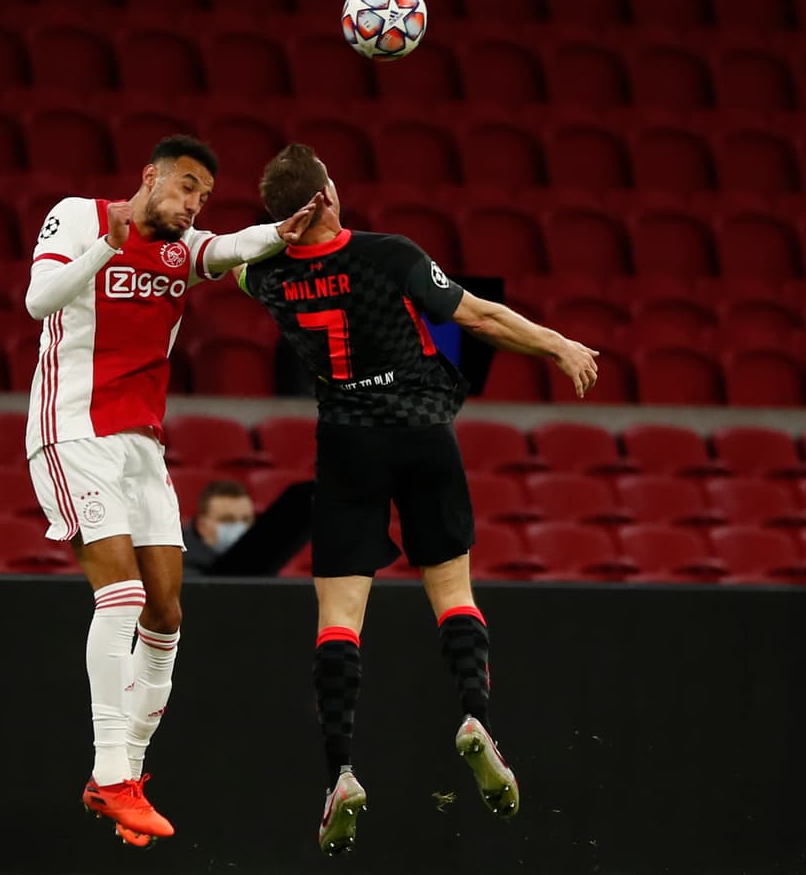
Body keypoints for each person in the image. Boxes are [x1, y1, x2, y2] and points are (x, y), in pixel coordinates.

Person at [238, 143, 599, 855]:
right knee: (453, 588)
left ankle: (341, 768)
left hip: (346, 443)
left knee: (339, 614)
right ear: (330, 198)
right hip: (422, 433)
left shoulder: (263, 276)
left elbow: (223, 260)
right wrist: (555, 343)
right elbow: (478, 318)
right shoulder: (388, 253)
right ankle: (474, 717)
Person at [24, 135, 320, 848]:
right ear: (150, 177)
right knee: (120, 595)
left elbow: (227, 249)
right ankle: (108, 773)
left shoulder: (183, 252)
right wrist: (107, 247)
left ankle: (130, 768)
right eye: (186, 186)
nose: (193, 204)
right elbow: (39, 301)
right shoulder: (80, 217)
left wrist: (279, 234)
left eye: (204, 196)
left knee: (167, 610)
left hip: (140, 446)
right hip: (72, 430)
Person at [181, 479, 256, 574]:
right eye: (228, 520)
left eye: (246, 520)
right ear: (201, 526)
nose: (240, 527)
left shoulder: (263, 562)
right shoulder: (182, 568)